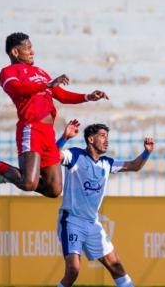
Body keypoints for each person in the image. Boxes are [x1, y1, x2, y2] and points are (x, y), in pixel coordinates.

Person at [0, 32, 108, 197]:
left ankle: (9, 176)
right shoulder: (8, 72)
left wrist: (87, 97)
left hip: (48, 133)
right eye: (28, 48)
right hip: (31, 129)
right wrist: (46, 85)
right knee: (28, 183)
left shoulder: (41, 72)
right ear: (15, 52)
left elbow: (62, 95)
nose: (32, 52)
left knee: (54, 190)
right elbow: (17, 89)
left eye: (32, 48)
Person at [56, 120, 155, 287]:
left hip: (92, 223)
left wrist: (146, 153)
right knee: (73, 271)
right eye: (102, 136)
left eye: (107, 136)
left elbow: (134, 166)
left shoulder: (106, 163)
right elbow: (51, 155)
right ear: (91, 139)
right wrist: (64, 137)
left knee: (116, 267)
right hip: (71, 221)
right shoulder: (75, 156)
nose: (106, 140)